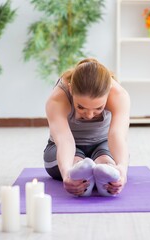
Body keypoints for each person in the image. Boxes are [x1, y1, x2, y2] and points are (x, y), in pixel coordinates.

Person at [44, 58, 130, 197]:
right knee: (75, 161)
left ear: (108, 91)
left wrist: (122, 171)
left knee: (107, 159)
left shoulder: (119, 95)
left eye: (98, 108)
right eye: (81, 107)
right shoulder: (57, 98)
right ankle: (79, 171)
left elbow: (117, 135)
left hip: (102, 143)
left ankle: (106, 170)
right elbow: (64, 140)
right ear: (71, 89)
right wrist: (66, 173)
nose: (89, 115)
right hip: (63, 148)